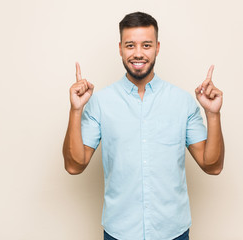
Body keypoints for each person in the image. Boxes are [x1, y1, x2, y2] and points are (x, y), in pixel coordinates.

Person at [62, 12, 224, 240]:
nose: (138, 53)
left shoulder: (182, 101)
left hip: (173, 232)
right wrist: (76, 110)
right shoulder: (100, 102)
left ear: (157, 48)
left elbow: (212, 166)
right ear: (120, 48)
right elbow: (74, 166)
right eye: (130, 45)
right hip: (119, 232)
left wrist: (213, 114)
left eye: (146, 45)